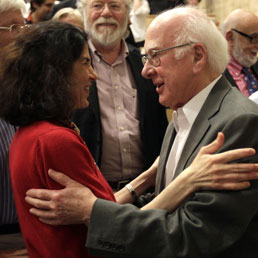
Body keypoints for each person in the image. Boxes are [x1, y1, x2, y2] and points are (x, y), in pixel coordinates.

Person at [25, 6, 258, 258]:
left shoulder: (239, 123)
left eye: (155, 56)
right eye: (146, 58)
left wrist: (93, 211)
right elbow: (162, 205)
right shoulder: (183, 114)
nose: (146, 71)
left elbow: (195, 234)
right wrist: (100, 208)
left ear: (197, 57)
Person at [0, 20, 115, 258]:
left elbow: (93, 206)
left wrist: (146, 177)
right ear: (57, 71)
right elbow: (115, 226)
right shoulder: (55, 140)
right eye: (85, 63)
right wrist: (186, 182)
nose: (93, 75)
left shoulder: (31, 133)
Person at [73, 0, 168, 190]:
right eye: (97, 6)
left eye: (115, 6)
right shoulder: (70, 65)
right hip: (92, 191)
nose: (106, 13)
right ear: (84, 13)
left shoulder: (145, 63)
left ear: (128, 14)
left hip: (147, 190)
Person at [0, 0, 27, 256]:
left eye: (24, 25)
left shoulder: (24, 85)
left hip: (29, 232)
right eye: (14, 27)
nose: (24, 35)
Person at [221, 9, 258, 97]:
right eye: (254, 38)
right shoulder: (214, 76)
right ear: (230, 37)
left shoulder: (255, 64)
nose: (257, 45)